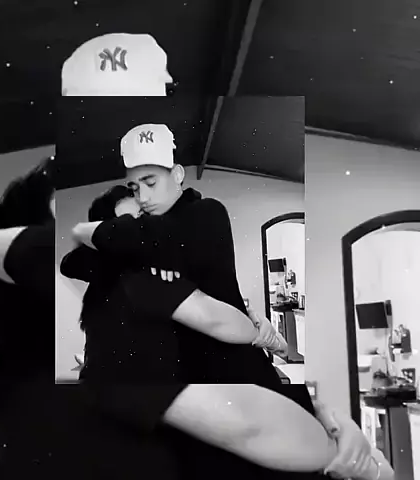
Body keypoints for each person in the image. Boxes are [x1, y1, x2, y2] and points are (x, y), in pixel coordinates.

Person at [69, 124, 393, 480]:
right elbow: (76, 263)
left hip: (249, 394)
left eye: (150, 183)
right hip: (228, 420)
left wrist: (324, 416)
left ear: (177, 174)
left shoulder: (199, 218)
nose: (144, 201)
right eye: (136, 189)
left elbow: (227, 324)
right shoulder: (130, 288)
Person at [61, 184, 288, 356]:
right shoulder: (128, 276)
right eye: (126, 225)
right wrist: (260, 334)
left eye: (143, 218)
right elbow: (216, 320)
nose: (141, 229)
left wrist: (252, 317)